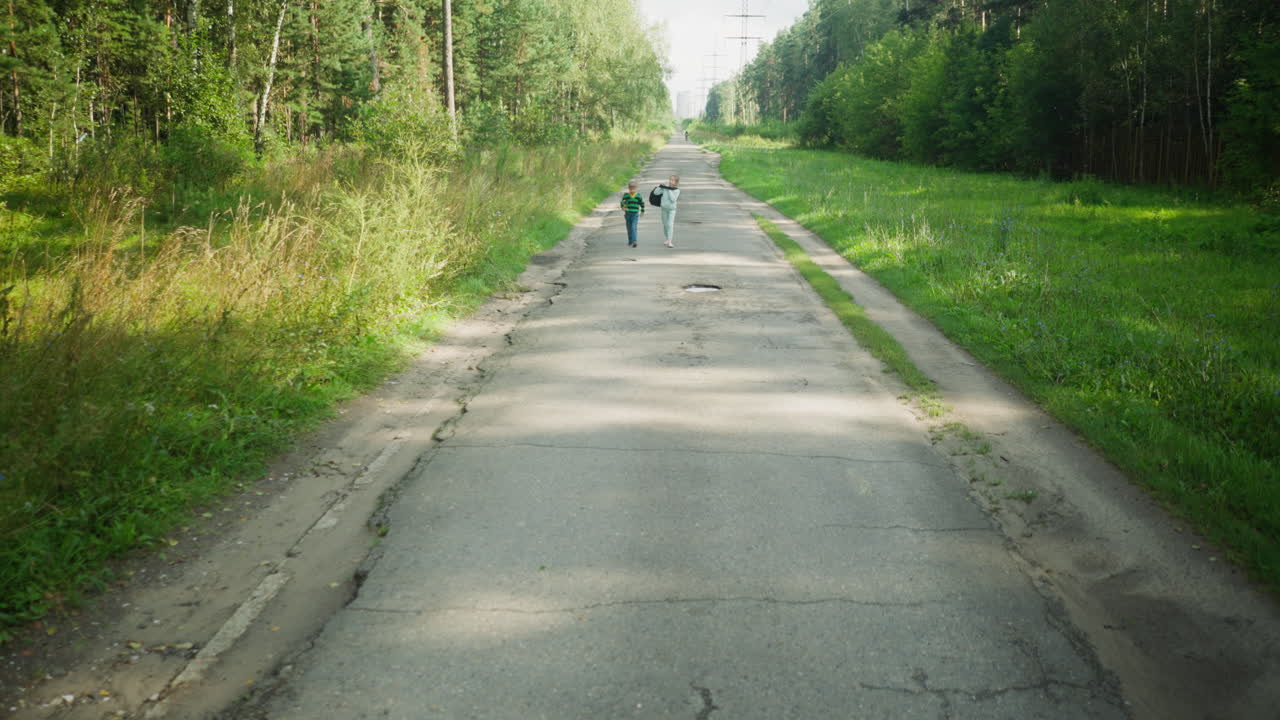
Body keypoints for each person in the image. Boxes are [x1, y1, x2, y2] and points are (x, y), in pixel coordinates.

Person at [656, 175, 681, 248]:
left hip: (672, 210)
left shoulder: (677, 190)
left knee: (670, 224)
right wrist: (660, 186)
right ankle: (667, 238)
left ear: (676, 182)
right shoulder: (665, 188)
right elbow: (656, 193)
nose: (670, 181)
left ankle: (670, 241)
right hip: (664, 208)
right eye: (670, 179)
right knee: (665, 224)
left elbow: (673, 199)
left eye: (673, 180)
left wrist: (668, 189)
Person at [620, 181, 645, 248]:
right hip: (628, 214)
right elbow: (622, 202)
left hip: (635, 214)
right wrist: (623, 208)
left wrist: (642, 211)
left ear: (636, 188)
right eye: (631, 188)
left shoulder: (638, 196)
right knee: (629, 228)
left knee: (633, 227)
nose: (632, 190)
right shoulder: (626, 195)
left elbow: (642, 204)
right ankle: (630, 240)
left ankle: (634, 241)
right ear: (628, 188)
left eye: (634, 188)